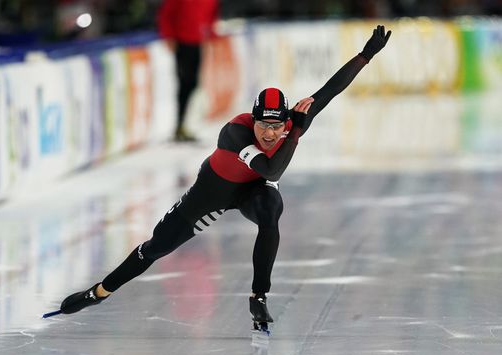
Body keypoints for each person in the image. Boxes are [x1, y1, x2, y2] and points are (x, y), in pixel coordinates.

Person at [58, 25, 392, 327]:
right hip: (211, 193)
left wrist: (366, 55)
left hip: (252, 190)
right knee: (156, 248)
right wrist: (295, 135)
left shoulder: (291, 122)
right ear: (254, 119)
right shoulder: (235, 132)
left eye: (278, 127)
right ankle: (99, 292)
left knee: (271, 212)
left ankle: (258, 297)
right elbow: (272, 168)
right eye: (264, 126)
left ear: (284, 120)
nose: (271, 134)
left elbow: (330, 89)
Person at [157, 0, 219, 142]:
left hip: (197, 42)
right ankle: (180, 125)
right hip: (182, 42)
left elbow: (210, 14)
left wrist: (211, 33)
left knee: (193, 83)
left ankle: (184, 125)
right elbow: (166, 14)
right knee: (185, 83)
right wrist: (168, 36)